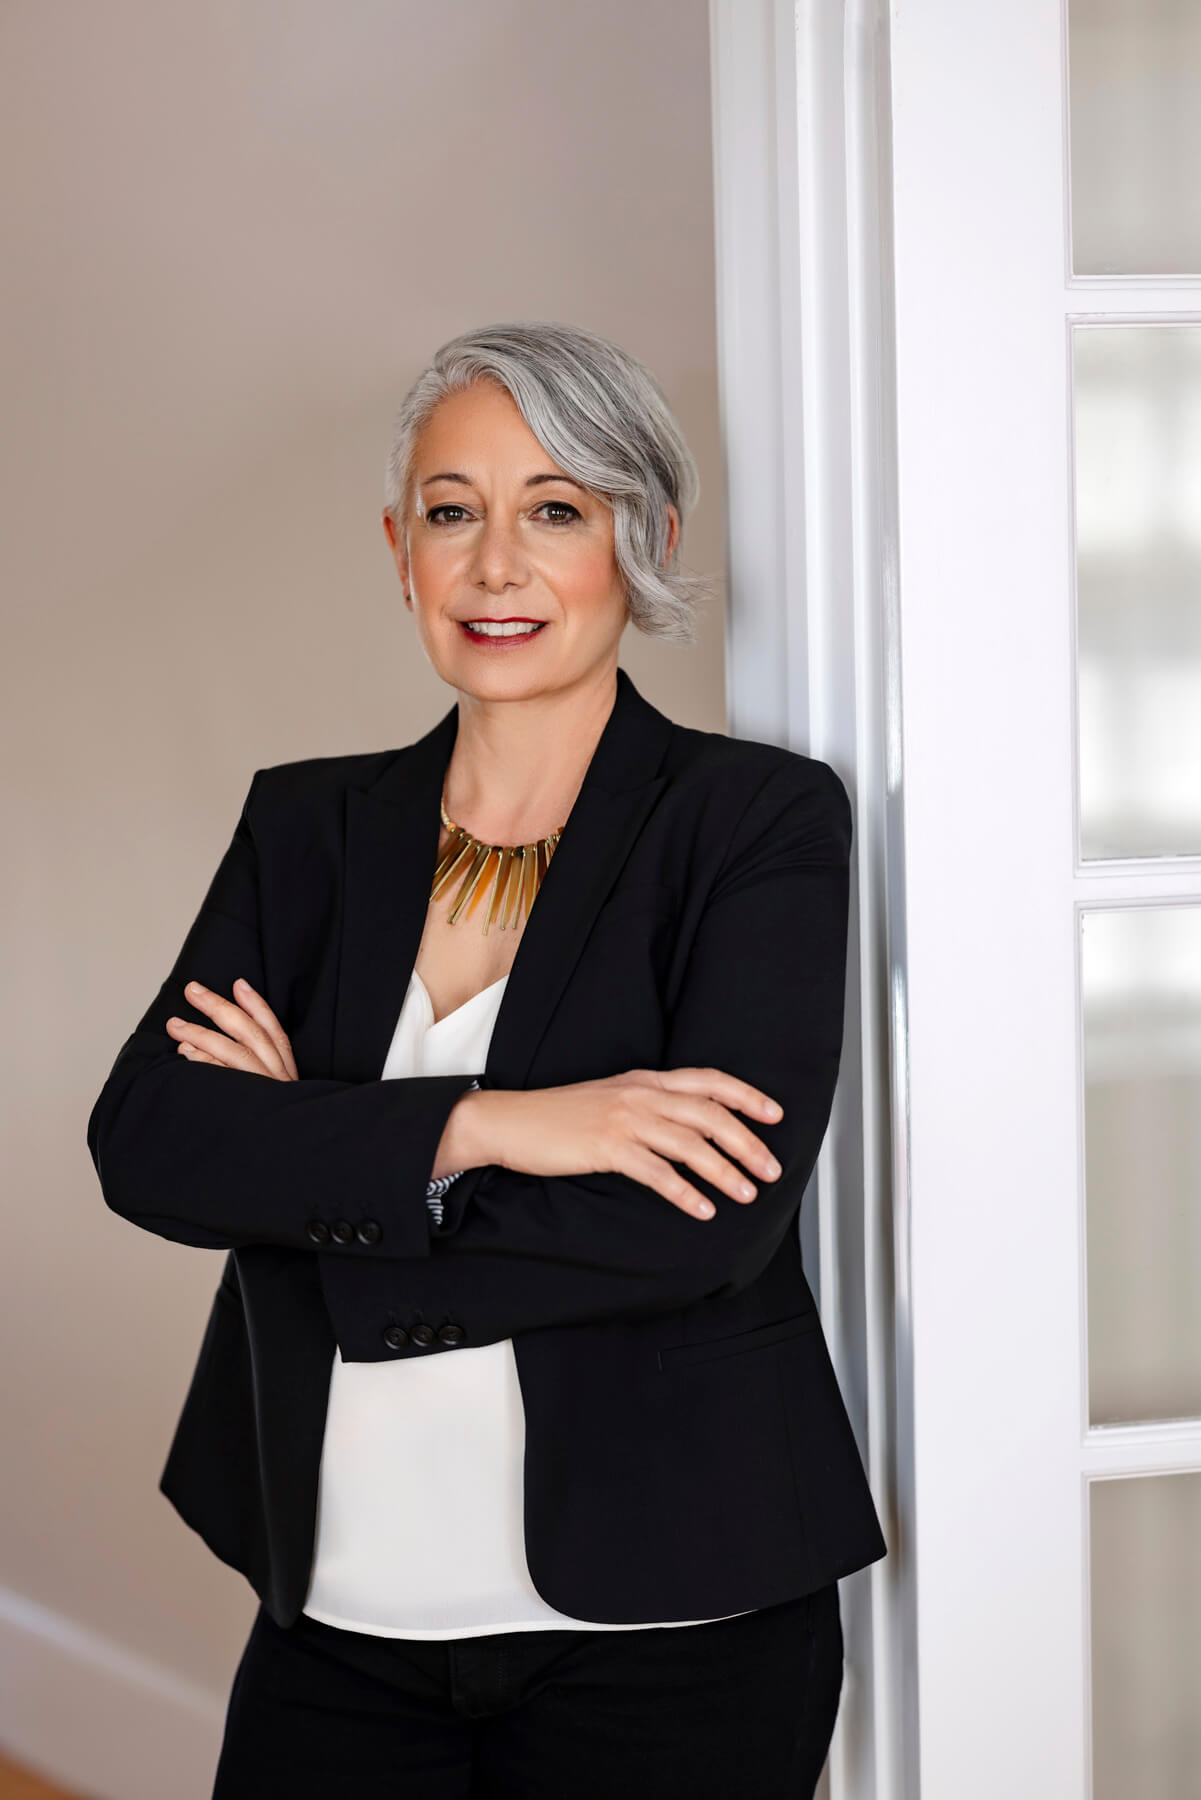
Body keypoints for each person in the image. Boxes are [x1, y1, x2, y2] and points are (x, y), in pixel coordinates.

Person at [86, 321, 886, 1798]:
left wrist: (313, 1170)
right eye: (453, 511)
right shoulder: (308, 831)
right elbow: (147, 1140)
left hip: (676, 1620)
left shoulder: (752, 821)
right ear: (400, 548)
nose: (496, 565)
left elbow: (702, 1221)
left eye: (556, 510)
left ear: (640, 537)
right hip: (336, 1612)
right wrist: (496, 1128)